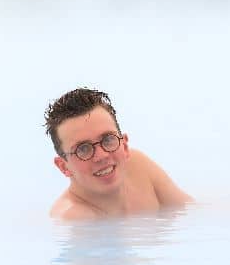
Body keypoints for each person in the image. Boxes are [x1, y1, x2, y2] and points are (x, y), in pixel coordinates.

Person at [45, 87, 194, 220]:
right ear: (63, 167)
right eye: (83, 149)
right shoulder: (74, 219)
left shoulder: (138, 166)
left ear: (124, 145)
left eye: (108, 139)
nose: (101, 156)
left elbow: (192, 211)